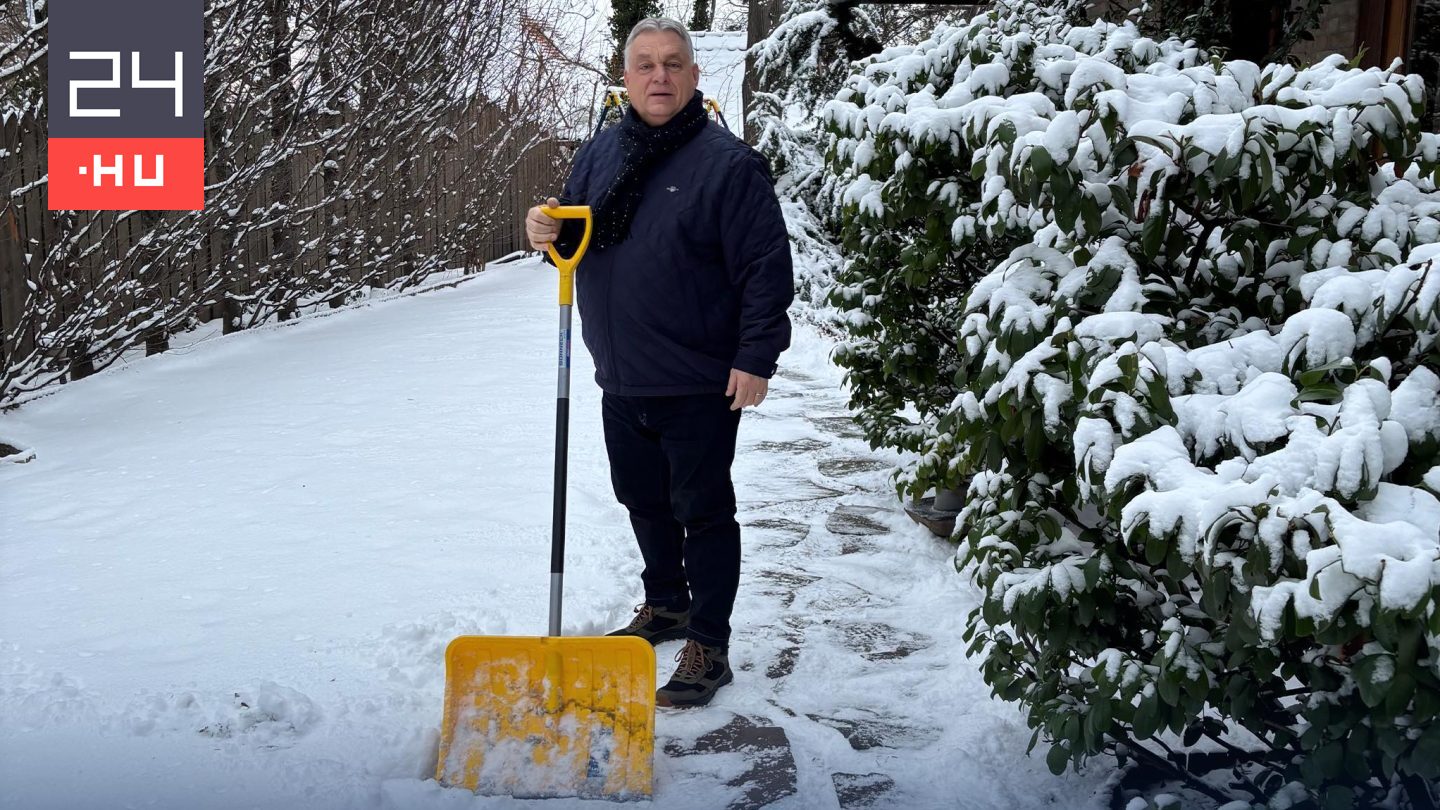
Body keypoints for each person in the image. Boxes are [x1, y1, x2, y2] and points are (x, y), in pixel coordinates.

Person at [524, 17, 793, 708]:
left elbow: (766, 267)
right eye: (645, 64)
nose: (659, 76)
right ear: (626, 76)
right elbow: (575, 238)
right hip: (621, 372)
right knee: (642, 499)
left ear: (694, 76)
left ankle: (709, 642)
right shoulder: (601, 152)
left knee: (702, 511)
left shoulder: (728, 165)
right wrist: (545, 231)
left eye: (673, 63)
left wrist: (756, 357)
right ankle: (668, 603)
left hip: (698, 376)